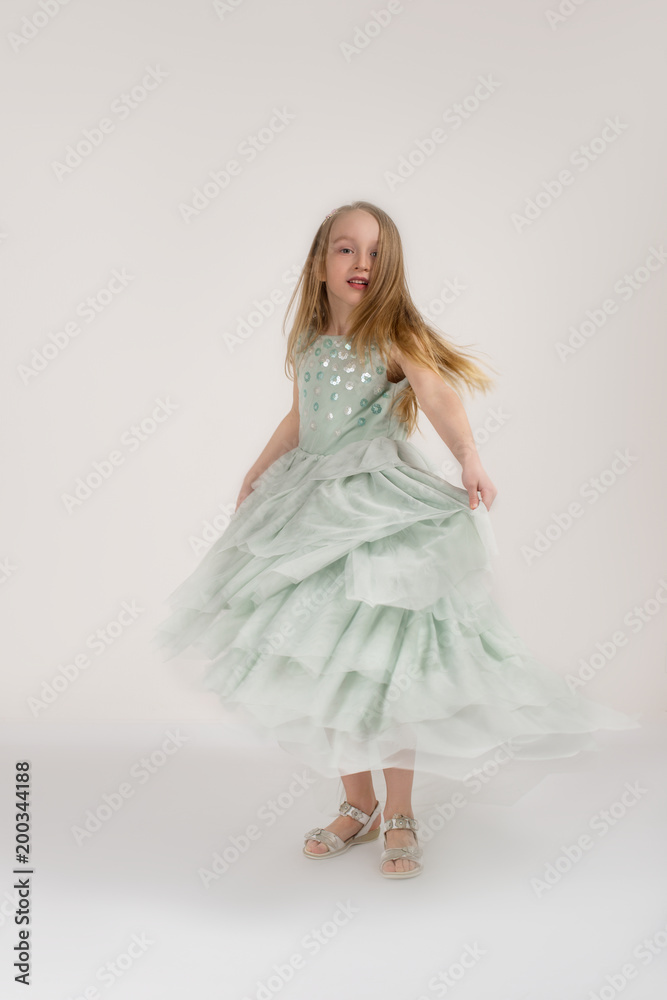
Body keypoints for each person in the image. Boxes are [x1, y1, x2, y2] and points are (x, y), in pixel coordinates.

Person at [153, 200, 641, 880]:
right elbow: (299, 416)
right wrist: (257, 470)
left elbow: (437, 395)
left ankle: (401, 809)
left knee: (386, 664)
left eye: (376, 253)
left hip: (375, 507)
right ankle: (357, 802)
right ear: (319, 264)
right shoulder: (308, 341)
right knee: (324, 657)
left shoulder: (392, 335)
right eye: (346, 248)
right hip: (309, 511)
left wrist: (468, 455)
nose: (362, 262)